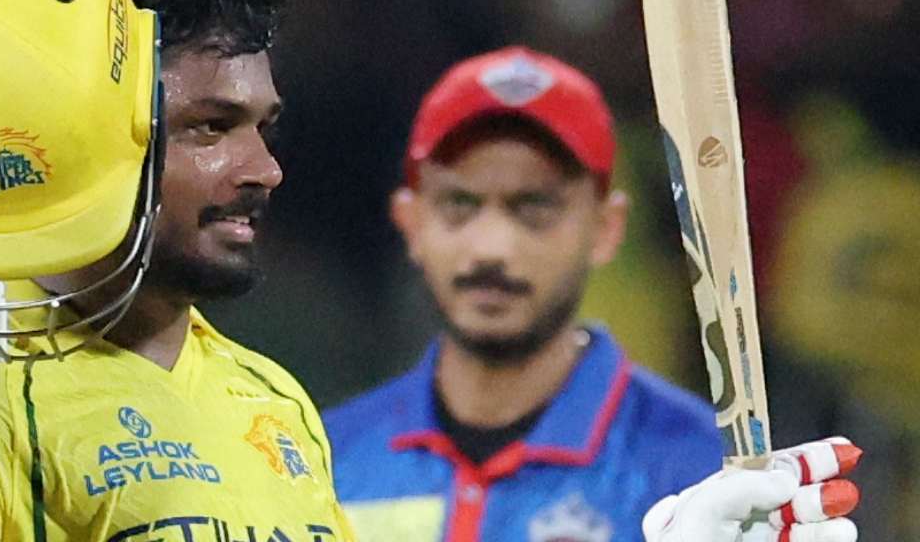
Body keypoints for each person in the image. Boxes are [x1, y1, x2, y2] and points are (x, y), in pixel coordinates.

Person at [0, 0, 861, 542]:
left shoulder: (273, 404)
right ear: (92, 132)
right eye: (212, 129)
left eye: (264, 127)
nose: (264, 170)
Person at [322, 46, 861, 542]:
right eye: (459, 205)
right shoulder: (321, 456)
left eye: (535, 208)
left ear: (606, 227)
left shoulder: (704, 470)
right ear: (410, 222)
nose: (492, 247)